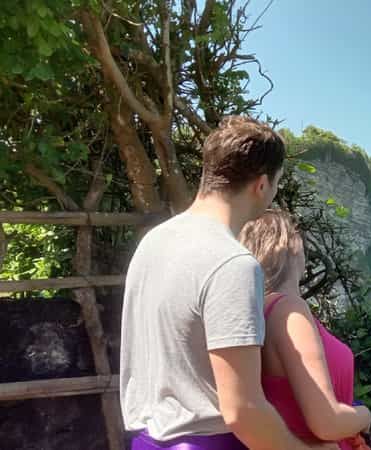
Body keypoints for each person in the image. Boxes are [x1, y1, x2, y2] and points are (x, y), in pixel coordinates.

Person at [120, 116, 332, 450]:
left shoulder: (154, 242)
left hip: (147, 440)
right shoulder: (232, 263)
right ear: (261, 185)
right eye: (275, 185)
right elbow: (243, 411)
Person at [239, 210, 371, 450]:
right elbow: (327, 423)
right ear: (294, 247)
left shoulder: (259, 310)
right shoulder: (289, 310)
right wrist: (365, 415)